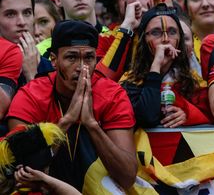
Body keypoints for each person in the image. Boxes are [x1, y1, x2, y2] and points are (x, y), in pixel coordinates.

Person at [6, 20, 137, 191]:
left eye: (89, 58)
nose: (81, 67)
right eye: (71, 57)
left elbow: (127, 178)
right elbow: (22, 173)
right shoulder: (30, 95)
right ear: (54, 60)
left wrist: (91, 125)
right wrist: (67, 121)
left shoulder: (112, 94)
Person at [120, 3, 210, 128]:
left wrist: (188, 115)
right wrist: (156, 66)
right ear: (143, 42)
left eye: (172, 32)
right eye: (156, 32)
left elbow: (211, 115)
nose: (166, 39)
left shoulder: (194, 80)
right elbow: (147, 117)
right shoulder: (130, 80)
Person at [94, 0, 169, 81]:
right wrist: (126, 29)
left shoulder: (170, 32)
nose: (137, 2)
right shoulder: (105, 39)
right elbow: (101, 80)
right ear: (116, 3)